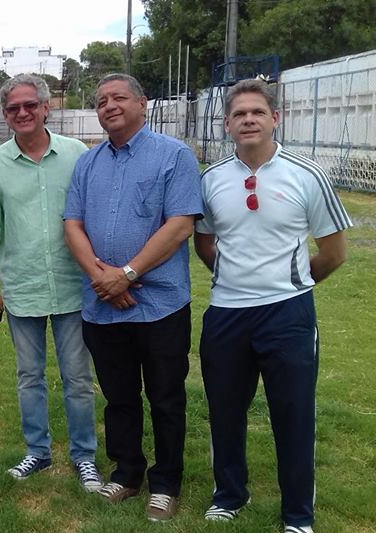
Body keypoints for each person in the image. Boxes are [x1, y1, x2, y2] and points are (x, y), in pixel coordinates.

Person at [195, 79, 351, 533]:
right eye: (239, 114)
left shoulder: (307, 174)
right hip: (226, 314)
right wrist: (233, 279)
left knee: (294, 414)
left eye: (257, 112)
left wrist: (294, 285)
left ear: (275, 118)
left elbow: (334, 251)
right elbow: (204, 243)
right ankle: (229, 495)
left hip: (288, 313)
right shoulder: (211, 179)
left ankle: (298, 515)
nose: (248, 119)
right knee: (224, 411)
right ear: (227, 124)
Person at [63, 73, 202, 521]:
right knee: (119, 396)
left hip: (160, 304)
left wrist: (127, 274)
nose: (109, 105)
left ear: (142, 103)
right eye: (101, 100)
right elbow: (73, 225)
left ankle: (166, 482)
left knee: (165, 395)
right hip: (103, 306)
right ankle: (126, 472)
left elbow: (180, 224)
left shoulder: (174, 155)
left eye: (119, 97)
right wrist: (102, 278)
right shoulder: (87, 163)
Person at [0, 73, 103, 490]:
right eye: (13, 108)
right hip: (23, 286)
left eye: (31, 105)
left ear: (47, 108)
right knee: (29, 376)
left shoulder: (76, 154)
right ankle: (38, 452)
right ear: (5, 115)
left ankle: (84, 456)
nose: (23, 113)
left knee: (78, 377)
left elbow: (92, 219)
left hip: (72, 285)